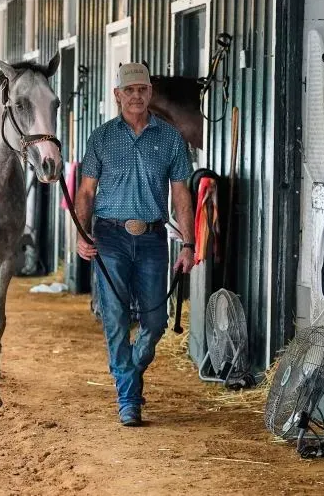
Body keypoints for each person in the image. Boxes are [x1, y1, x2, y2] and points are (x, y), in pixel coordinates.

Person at [75, 62, 196, 427]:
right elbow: (85, 192)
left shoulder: (171, 139)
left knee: (156, 321)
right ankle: (128, 396)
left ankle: (132, 368)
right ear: (117, 95)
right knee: (114, 316)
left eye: (142, 89)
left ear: (150, 94)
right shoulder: (101, 138)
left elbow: (182, 196)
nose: (136, 96)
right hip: (109, 236)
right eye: (129, 90)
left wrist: (189, 243)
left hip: (153, 238)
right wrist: (83, 236)